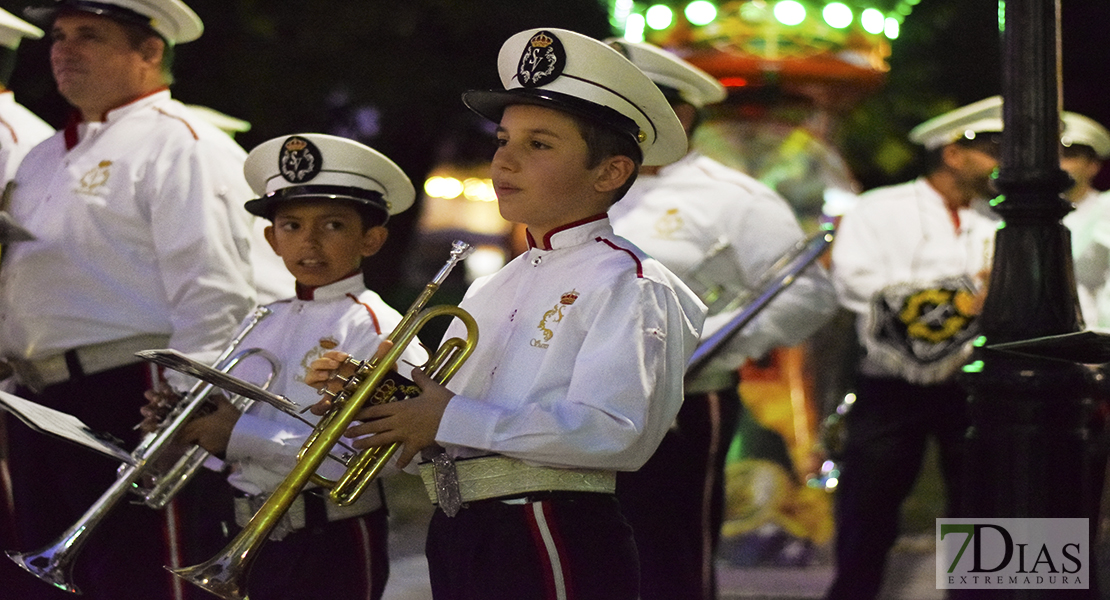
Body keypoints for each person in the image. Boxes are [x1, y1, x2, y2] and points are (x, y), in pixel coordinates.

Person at [309, 27, 706, 600]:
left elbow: (617, 432)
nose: (505, 159)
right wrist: (380, 398)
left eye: (539, 145)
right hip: (464, 525)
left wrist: (446, 418)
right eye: (502, 139)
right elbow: (460, 412)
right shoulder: (496, 284)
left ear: (611, 173)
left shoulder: (631, 282)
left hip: (548, 526)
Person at [0, 1, 257, 597]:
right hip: (39, 398)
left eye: (89, 35)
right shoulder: (46, 154)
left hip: (131, 391)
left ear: (149, 52)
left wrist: (183, 411)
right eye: (60, 36)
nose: (64, 49)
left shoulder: (184, 143)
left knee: (136, 578)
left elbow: (214, 291)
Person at [140, 133, 428, 600]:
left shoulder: (378, 326)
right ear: (272, 239)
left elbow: (381, 458)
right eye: (291, 226)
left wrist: (236, 435)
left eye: (332, 225)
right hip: (238, 528)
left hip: (326, 538)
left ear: (372, 239)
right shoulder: (263, 319)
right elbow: (230, 430)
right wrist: (187, 425)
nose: (308, 242)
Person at [604, 39, 838, 600]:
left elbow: (809, 294)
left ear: (677, 115)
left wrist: (715, 343)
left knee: (671, 553)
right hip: (577, 396)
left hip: (684, 398)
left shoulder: (736, 199)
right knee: (598, 548)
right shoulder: (591, 183)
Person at [824, 96, 1002, 600]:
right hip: (890, 385)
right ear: (953, 153)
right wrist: (967, 294)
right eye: (992, 150)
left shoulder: (1001, 218)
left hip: (973, 384)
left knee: (983, 507)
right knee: (868, 511)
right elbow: (856, 285)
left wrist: (941, 297)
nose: (1003, 163)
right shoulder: (880, 207)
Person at [1059, 111, 1110, 329]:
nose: (1060, 164)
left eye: (1070, 156)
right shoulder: (1023, 212)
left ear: (1093, 165)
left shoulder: (1106, 207)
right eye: (1056, 155)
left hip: (1097, 334)